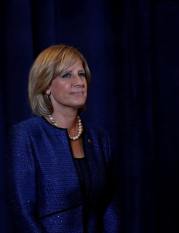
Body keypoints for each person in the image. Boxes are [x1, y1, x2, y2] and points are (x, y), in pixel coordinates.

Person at [6, 44, 120, 233]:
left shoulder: (99, 139)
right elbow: (22, 212)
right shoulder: (26, 136)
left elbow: (109, 207)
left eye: (81, 74)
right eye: (67, 75)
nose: (79, 82)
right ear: (46, 86)